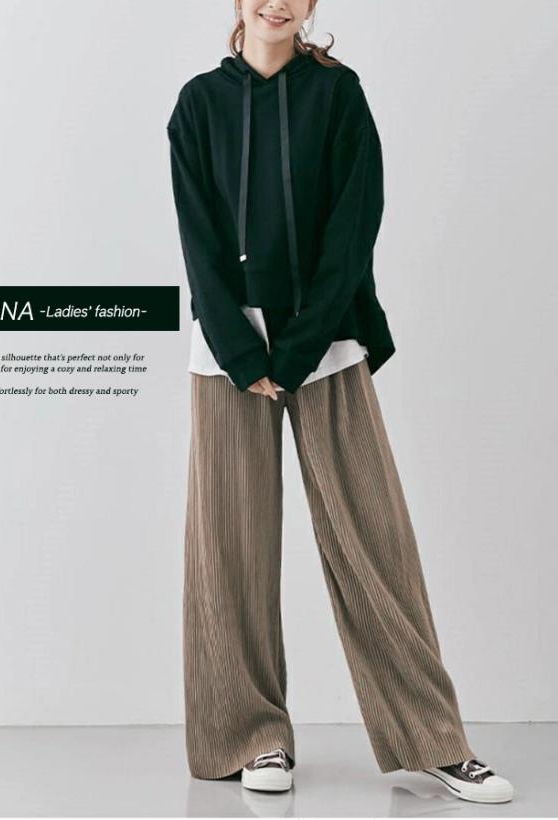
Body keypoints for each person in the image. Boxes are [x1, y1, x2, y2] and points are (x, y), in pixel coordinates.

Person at [166, 0, 514, 805]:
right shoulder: (199, 104)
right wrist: (242, 352)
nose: (277, 2)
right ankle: (249, 737)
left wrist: (297, 348)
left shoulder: (339, 94)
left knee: (372, 539)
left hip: (325, 337)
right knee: (229, 548)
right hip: (229, 350)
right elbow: (197, 238)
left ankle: (435, 739)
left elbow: (355, 228)